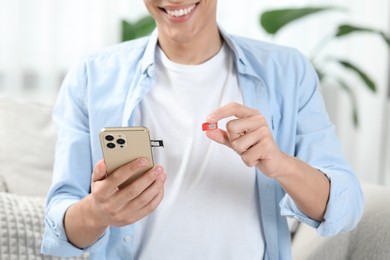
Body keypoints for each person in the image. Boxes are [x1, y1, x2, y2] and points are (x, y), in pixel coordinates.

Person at [41, 1, 364, 259]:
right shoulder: (93, 76)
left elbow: (344, 209)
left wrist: (281, 163)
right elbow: (60, 225)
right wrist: (97, 213)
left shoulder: (287, 70)